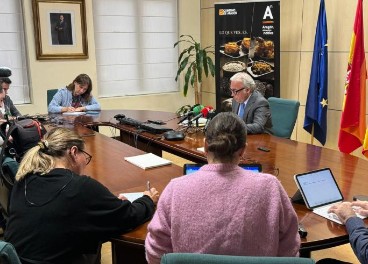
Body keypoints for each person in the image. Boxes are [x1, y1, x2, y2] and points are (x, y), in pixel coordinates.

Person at [145, 112, 300, 264]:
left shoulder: (175, 188)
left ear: (205, 146)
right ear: (242, 150)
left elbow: (155, 255)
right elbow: (289, 253)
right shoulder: (270, 187)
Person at [4, 127, 159, 263]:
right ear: (73, 152)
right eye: (85, 155)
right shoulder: (81, 187)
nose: (86, 161)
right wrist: (147, 200)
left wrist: (108, 206)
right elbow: (129, 216)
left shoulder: (24, 178)